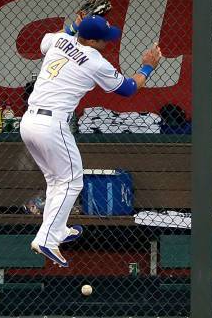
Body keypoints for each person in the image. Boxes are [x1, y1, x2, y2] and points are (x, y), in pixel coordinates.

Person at [20, 14, 162, 267]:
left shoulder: (60, 39)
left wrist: (72, 26)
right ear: (93, 40)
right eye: (104, 39)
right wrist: (147, 66)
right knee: (73, 181)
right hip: (53, 125)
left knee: (56, 180)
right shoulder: (96, 62)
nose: (108, 43)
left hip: (29, 122)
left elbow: (46, 42)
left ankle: (58, 229)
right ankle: (47, 239)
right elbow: (129, 89)